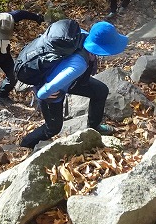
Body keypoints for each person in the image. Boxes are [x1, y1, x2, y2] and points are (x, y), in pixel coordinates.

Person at [20, 21, 127, 150]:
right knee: (53, 128)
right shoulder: (79, 64)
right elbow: (43, 93)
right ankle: (24, 145)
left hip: (70, 81)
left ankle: (94, 128)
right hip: (49, 89)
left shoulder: (82, 35)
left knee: (101, 91)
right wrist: (45, 94)